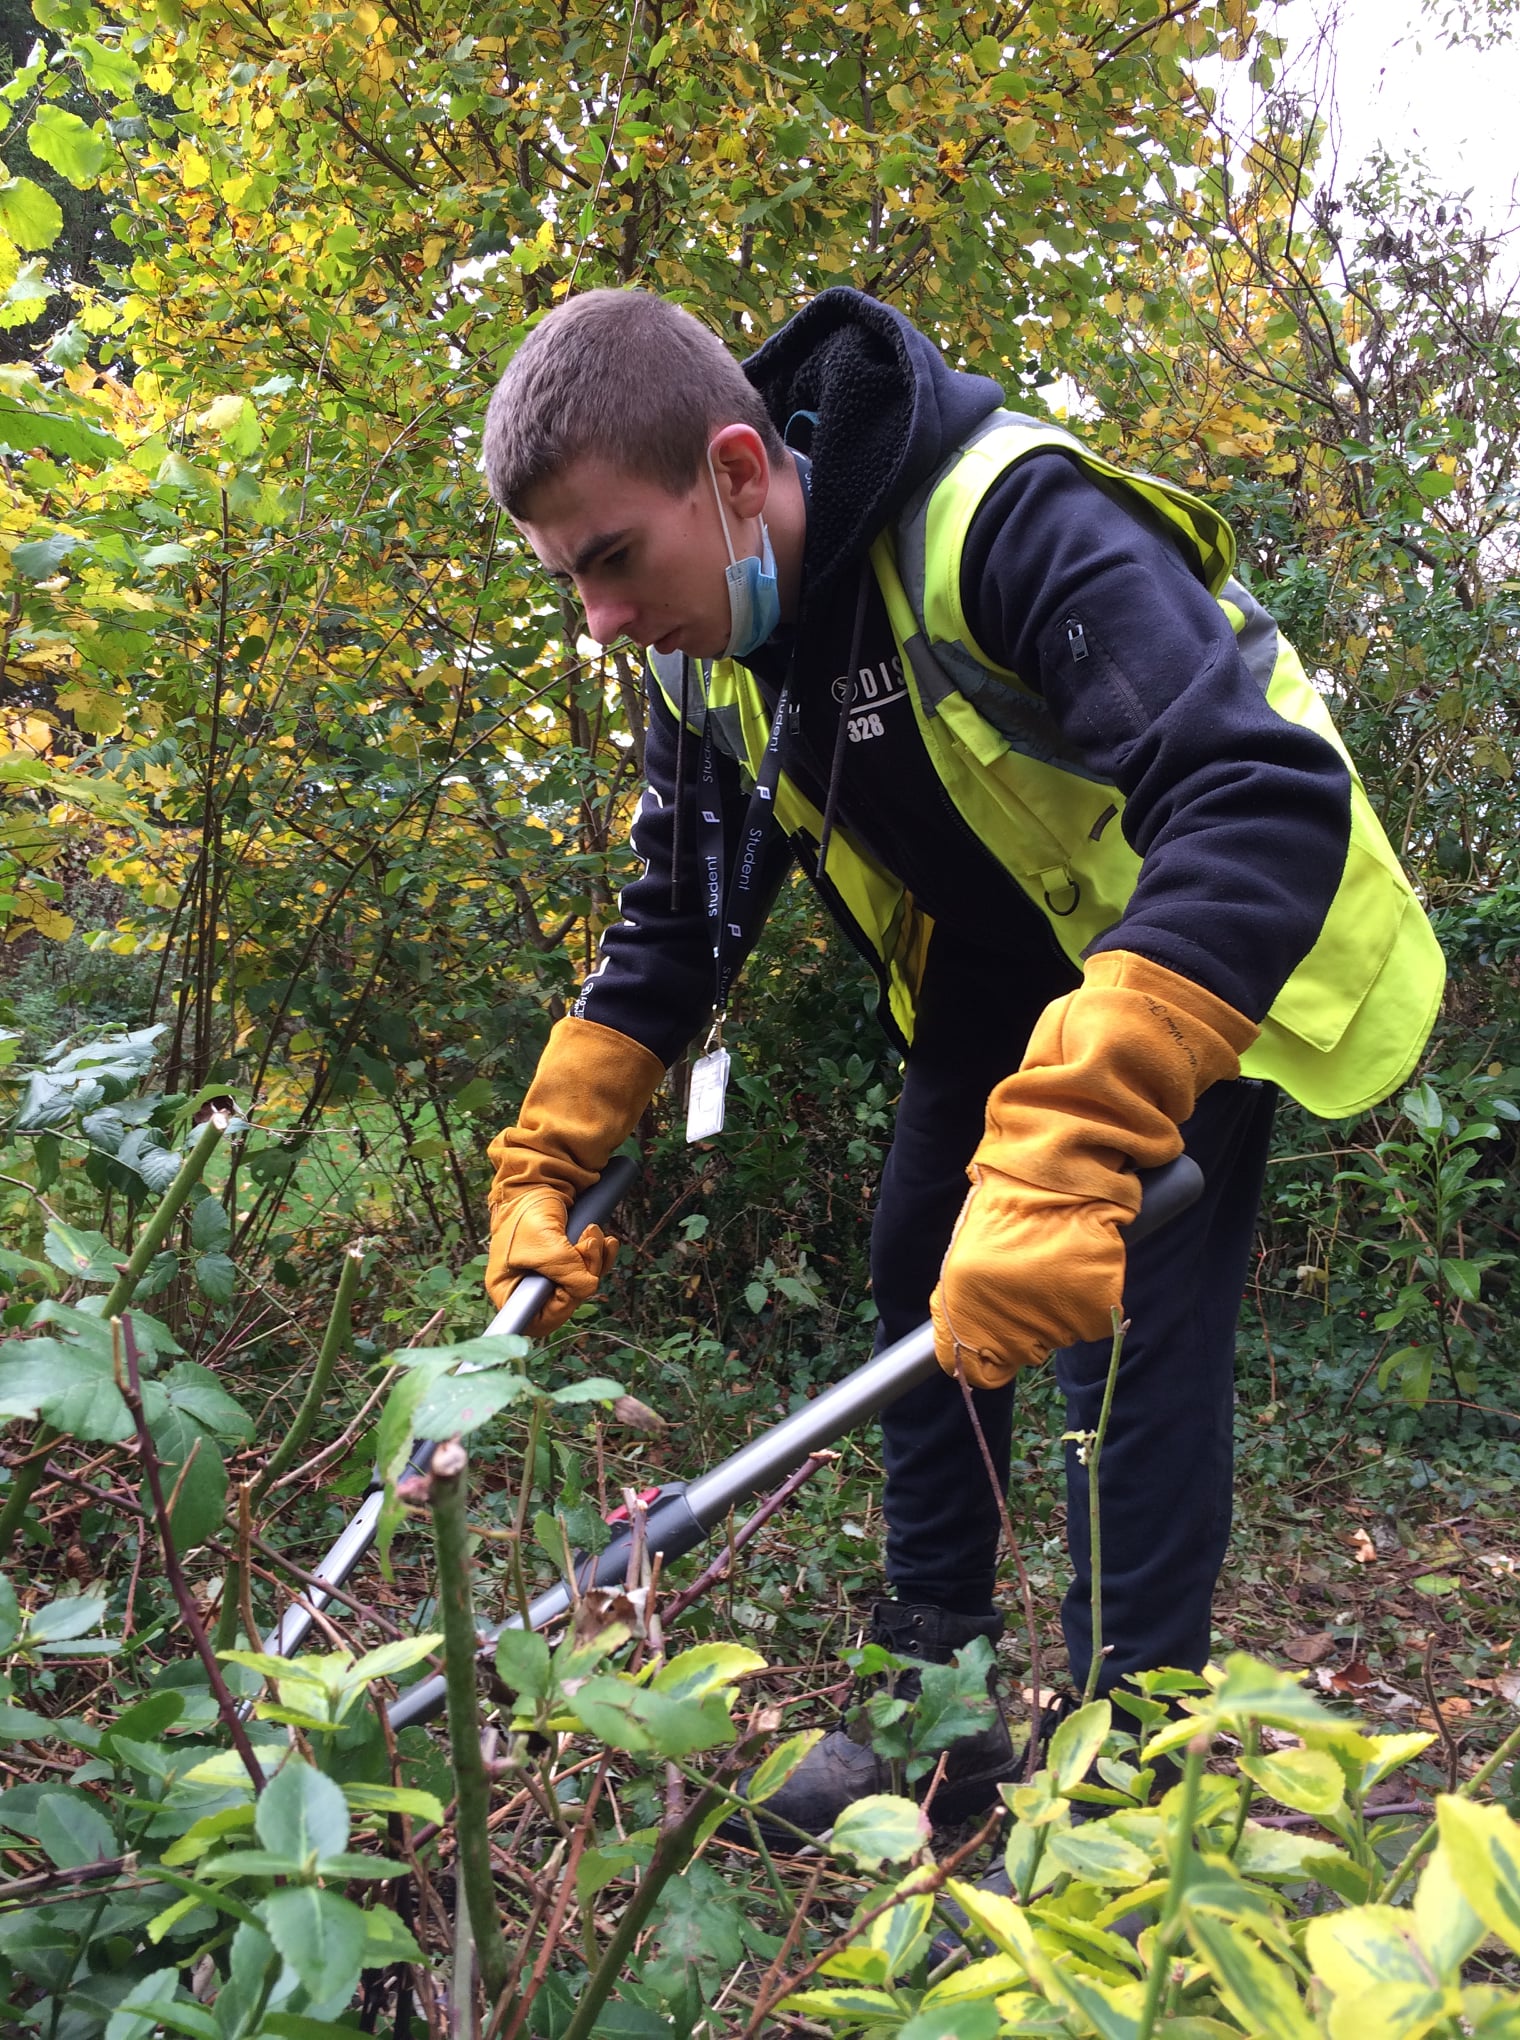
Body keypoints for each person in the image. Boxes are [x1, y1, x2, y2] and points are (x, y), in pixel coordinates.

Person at [477, 286, 1444, 1840]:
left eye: (610, 561)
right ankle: (937, 1720)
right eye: (566, 581)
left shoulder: (1003, 519)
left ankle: (1134, 1779)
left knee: (1121, 1344)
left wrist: (1090, 1130)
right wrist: (556, 1149)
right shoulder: (708, 661)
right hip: (996, 982)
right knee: (920, 1274)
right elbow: (677, 920)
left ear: (735, 472)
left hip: (1190, 959)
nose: (599, 619)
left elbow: (1255, 790)